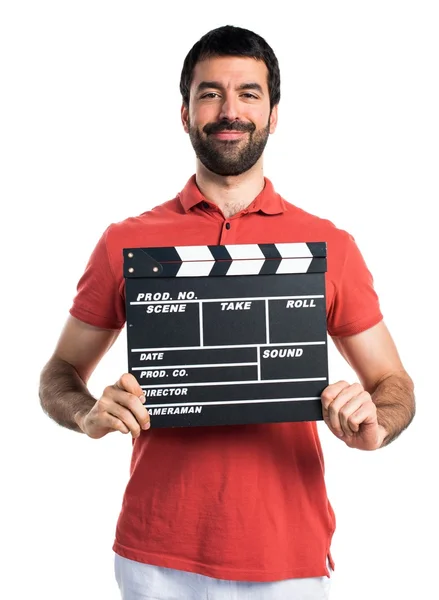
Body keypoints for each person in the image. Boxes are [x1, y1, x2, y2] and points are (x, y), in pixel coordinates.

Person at [39, 24, 415, 600]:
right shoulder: (125, 242)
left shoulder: (328, 245)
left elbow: (394, 384)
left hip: (288, 555)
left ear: (273, 112)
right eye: (209, 93)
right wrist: (88, 412)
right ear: (185, 113)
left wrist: (376, 422)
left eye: (249, 94)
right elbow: (59, 374)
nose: (229, 110)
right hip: (156, 554)